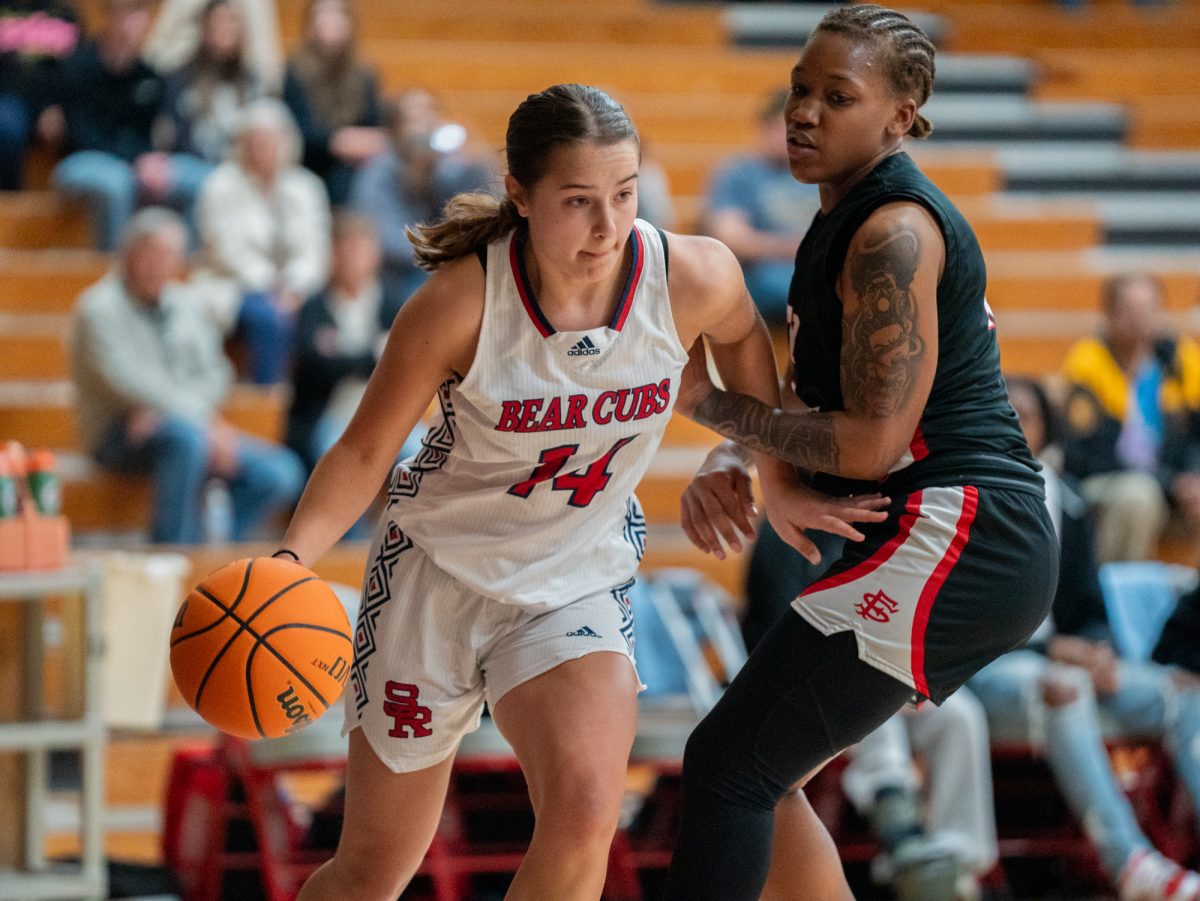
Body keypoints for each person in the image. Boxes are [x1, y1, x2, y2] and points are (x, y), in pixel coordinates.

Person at [275, 83, 884, 901]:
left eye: (624, 194)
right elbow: (360, 450)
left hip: (575, 578)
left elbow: (745, 350)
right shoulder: (461, 302)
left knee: (588, 806)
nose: (608, 225)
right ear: (520, 197)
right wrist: (289, 559)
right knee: (372, 870)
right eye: (578, 201)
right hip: (436, 580)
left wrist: (737, 459)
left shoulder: (689, 273)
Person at [662, 7, 1058, 899]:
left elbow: (874, 443)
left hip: (962, 529)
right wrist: (737, 457)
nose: (805, 111)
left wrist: (709, 402)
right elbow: (819, 404)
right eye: (801, 89)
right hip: (939, 527)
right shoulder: (839, 222)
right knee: (762, 771)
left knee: (727, 765)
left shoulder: (894, 232)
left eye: (837, 96)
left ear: (902, 112)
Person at [968, 375, 1200, 901]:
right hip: (986, 672)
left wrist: (1099, 650)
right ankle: (1131, 864)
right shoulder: (960, 499)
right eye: (1003, 412)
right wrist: (1052, 650)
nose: (1013, 423)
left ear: (1045, 428)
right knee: (1064, 685)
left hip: (1062, 665)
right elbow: (959, 625)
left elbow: (1090, 609)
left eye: (1025, 415)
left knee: (1183, 690)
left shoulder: (1067, 501)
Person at [69, 207, 304, 544]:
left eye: (171, 255)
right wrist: (198, 420)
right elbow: (126, 381)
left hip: (183, 425)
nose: (162, 265)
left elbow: (217, 373)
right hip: (119, 433)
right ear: (129, 254)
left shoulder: (187, 303)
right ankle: (170, 554)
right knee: (186, 439)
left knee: (282, 472)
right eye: (153, 254)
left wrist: (182, 415)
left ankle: (206, 548)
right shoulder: (98, 308)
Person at [1060, 272, 1200, 563]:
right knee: (1138, 495)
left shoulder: (1182, 360)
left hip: (1171, 484)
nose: (1139, 319)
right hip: (1105, 481)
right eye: (1129, 310)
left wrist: (1192, 478)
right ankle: (1113, 597)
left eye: (1148, 310)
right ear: (1109, 315)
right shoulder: (1087, 362)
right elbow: (1088, 452)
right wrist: (1170, 483)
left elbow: (1195, 434)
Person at [194, 97, 331, 384]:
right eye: (255, 141)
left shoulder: (306, 186)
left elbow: (315, 249)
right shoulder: (220, 185)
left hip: (297, 289)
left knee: (333, 316)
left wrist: (295, 286)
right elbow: (225, 250)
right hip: (234, 284)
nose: (262, 148)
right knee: (268, 318)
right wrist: (274, 287)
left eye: (270, 140)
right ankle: (266, 400)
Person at [349, 88, 495, 311]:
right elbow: (387, 242)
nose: (423, 127)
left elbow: (490, 214)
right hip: (399, 275)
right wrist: (446, 254)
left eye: (429, 116)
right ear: (394, 130)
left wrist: (477, 161)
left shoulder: (450, 166)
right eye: (412, 119)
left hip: (450, 267)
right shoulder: (377, 172)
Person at [700, 86, 821, 326]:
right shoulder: (739, 173)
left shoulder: (821, 175)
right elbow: (729, 235)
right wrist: (789, 248)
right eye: (781, 127)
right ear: (764, 128)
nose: (789, 136)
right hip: (761, 278)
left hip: (814, 274)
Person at [282, 0, 385, 206]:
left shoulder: (364, 74)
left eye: (338, 15)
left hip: (356, 163)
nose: (331, 22)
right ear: (310, 26)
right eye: (323, 15)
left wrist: (363, 142)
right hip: (312, 161)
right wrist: (338, 140)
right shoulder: (296, 72)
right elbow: (297, 129)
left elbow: (375, 124)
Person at [0, 0, 80, 190]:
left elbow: (76, 69)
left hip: (56, 102)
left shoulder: (64, 13)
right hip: (9, 99)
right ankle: (12, 199)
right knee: (6, 125)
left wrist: (54, 105)